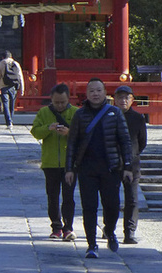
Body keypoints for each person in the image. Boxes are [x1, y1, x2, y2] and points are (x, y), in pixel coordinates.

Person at [64, 78, 134, 259]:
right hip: (87, 168)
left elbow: (125, 141)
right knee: (89, 207)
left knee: (112, 205)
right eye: (91, 91)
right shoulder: (80, 115)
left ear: (105, 93)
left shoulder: (115, 113)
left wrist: (127, 166)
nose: (95, 94)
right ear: (86, 94)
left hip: (111, 167)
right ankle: (91, 244)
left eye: (98, 91)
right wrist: (69, 169)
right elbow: (72, 143)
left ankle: (110, 230)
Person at [30, 83, 79, 242]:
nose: (59, 105)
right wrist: (48, 128)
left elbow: (83, 135)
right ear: (51, 100)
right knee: (52, 196)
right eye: (56, 102)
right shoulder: (44, 112)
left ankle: (68, 227)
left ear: (68, 99)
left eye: (62, 102)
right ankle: (56, 227)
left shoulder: (75, 113)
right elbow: (35, 132)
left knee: (68, 197)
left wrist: (68, 132)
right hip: (50, 162)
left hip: (70, 164)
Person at [113, 85, 147, 244]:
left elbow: (142, 142)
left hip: (132, 164)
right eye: (120, 97)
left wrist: (132, 154)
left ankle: (129, 232)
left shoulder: (138, 118)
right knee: (110, 199)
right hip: (112, 162)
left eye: (126, 97)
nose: (123, 100)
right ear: (114, 99)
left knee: (132, 200)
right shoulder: (109, 115)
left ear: (132, 100)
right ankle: (109, 229)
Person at [0, 51, 23, 130]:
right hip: (13, 87)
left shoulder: (1, 64)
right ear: (11, 56)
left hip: (4, 87)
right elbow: (20, 76)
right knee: (12, 105)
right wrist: (22, 88)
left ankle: (9, 122)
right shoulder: (16, 63)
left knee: (5, 105)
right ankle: (11, 120)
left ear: (3, 57)